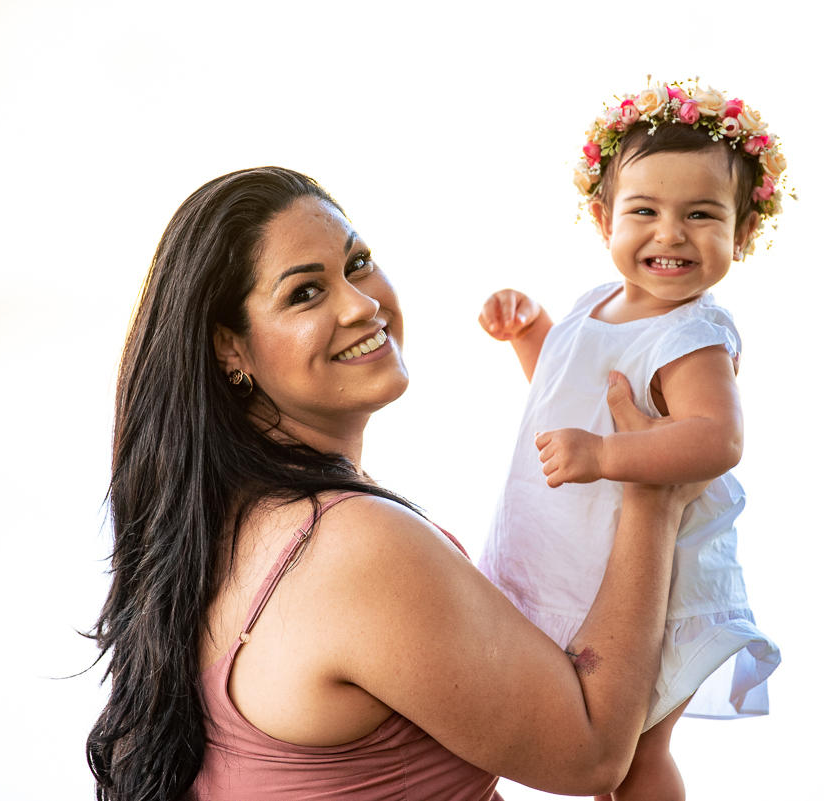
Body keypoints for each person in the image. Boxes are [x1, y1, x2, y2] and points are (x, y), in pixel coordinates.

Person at [85, 166, 704, 801]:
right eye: (304, 294)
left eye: (358, 263)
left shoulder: (220, 532)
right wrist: (651, 490)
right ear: (229, 349)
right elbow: (593, 755)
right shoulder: (351, 547)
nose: (361, 303)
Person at [477, 79, 785, 801]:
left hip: (657, 583)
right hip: (578, 557)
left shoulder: (692, 335)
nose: (670, 234)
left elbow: (716, 437)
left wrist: (607, 457)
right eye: (644, 210)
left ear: (742, 232)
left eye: (702, 215)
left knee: (638, 757)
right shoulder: (594, 304)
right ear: (601, 216)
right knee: (590, 742)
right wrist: (532, 334)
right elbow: (572, 394)